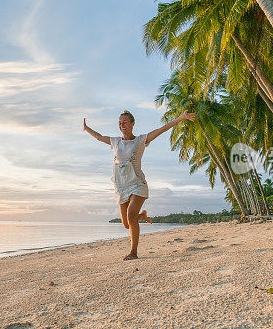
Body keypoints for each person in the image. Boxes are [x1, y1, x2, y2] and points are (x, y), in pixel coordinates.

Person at [83, 109, 196, 260]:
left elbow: (161, 130)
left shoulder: (140, 140)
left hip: (137, 184)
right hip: (121, 187)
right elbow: (98, 137)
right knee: (126, 224)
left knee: (130, 215)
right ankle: (141, 216)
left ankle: (133, 252)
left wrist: (181, 118)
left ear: (132, 124)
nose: (121, 125)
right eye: (119, 123)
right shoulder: (116, 141)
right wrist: (86, 128)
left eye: (124, 122)